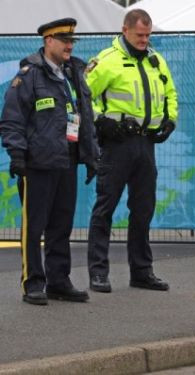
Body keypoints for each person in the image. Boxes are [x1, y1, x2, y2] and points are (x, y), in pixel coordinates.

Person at [0, 18, 100, 305]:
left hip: (66, 161)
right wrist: (17, 155)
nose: (70, 45)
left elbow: (85, 117)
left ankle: (58, 280)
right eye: (64, 39)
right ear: (48, 41)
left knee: (61, 225)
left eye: (72, 40)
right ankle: (33, 282)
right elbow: (12, 119)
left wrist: (90, 155)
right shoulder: (29, 75)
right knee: (35, 226)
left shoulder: (74, 73)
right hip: (38, 164)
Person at [85, 9, 178, 293]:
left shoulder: (155, 60)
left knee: (143, 209)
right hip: (116, 145)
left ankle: (141, 271)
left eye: (148, 35)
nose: (144, 40)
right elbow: (82, 96)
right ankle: (98, 273)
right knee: (105, 208)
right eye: (140, 35)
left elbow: (170, 94)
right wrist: (101, 121)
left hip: (145, 144)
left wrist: (170, 119)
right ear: (125, 30)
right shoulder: (106, 61)